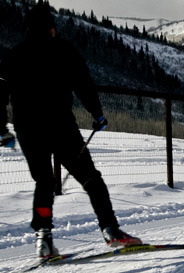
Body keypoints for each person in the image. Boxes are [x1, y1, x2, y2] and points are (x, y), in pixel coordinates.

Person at [0, 2, 141, 258]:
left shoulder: (12, 56)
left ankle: (43, 240)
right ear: (51, 28)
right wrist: (97, 115)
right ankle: (110, 230)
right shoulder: (64, 50)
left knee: (43, 182)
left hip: (28, 129)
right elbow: (83, 85)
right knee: (90, 178)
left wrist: (2, 130)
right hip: (60, 126)